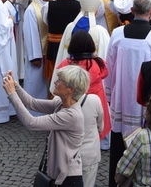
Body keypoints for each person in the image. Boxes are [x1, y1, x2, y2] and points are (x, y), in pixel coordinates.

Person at [104, 0, 151, 186]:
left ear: (132, 11)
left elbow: (108, 67)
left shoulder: (118, 34)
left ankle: (116, 181)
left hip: (121, 98)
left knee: (120, 146)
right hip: (144, 102)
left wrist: (109, 95)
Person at [3, 65, 90, 187]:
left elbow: (31, 123)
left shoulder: (72, 115)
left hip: (68, 179)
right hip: (60, 175)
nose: (55, 82)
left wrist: (12, 94)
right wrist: (15, 86)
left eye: (60, 81)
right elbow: (32, 103)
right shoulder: (61, 103)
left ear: (70, 89)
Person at [55, 31, 108, 186]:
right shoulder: (97, 63)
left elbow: (59, 73)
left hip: (71, 105)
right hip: (93, 106)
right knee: (91, 133)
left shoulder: (66, 64)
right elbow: (105, 73)